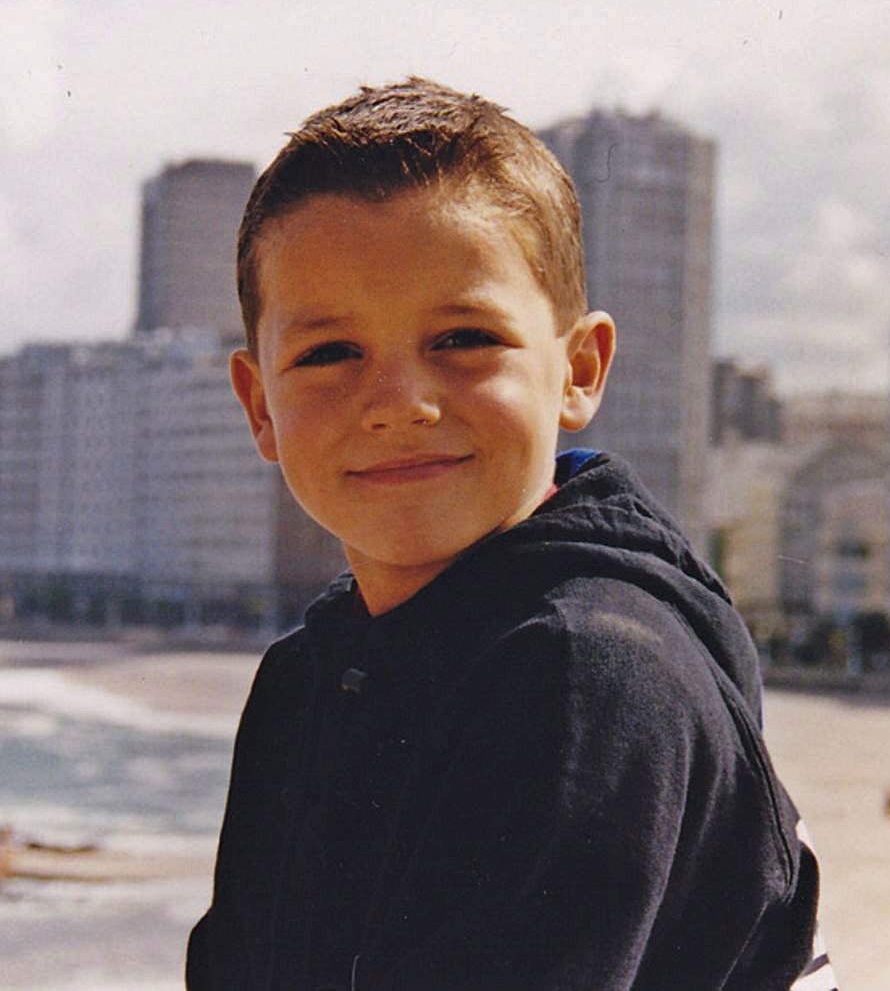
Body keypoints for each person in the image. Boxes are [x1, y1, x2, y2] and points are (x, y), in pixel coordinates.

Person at [186, 77, 836, 990]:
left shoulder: (587, 670)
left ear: (578, 368)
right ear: (260, 405)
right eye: (331, 352)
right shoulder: (308, 677)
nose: (399, 406)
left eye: (462, 338)